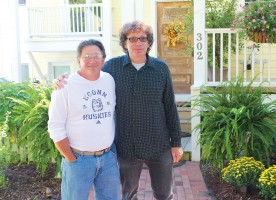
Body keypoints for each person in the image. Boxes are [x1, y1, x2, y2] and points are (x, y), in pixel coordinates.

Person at [55, 21, 183, 200]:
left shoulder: (161, 68)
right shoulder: (112, 68)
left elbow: (170, 106)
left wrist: (176, 143)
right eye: (132, 39)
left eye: (142, 39)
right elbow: (89, 75)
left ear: (148, 42)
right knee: (128, 195)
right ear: (125, 43)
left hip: (158, 145)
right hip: (126, 147)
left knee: (164, 194)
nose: (138, 43)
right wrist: (62, 80)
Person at [48, 39, 120, 200]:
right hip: (78, 160)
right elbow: (55, 127)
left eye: (97, 56)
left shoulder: (109, 80)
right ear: (78, 60)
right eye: (87, 56)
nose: (92, 60)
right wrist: (71, 159)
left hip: (108, 158)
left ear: (103, 59)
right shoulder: (64, 86)